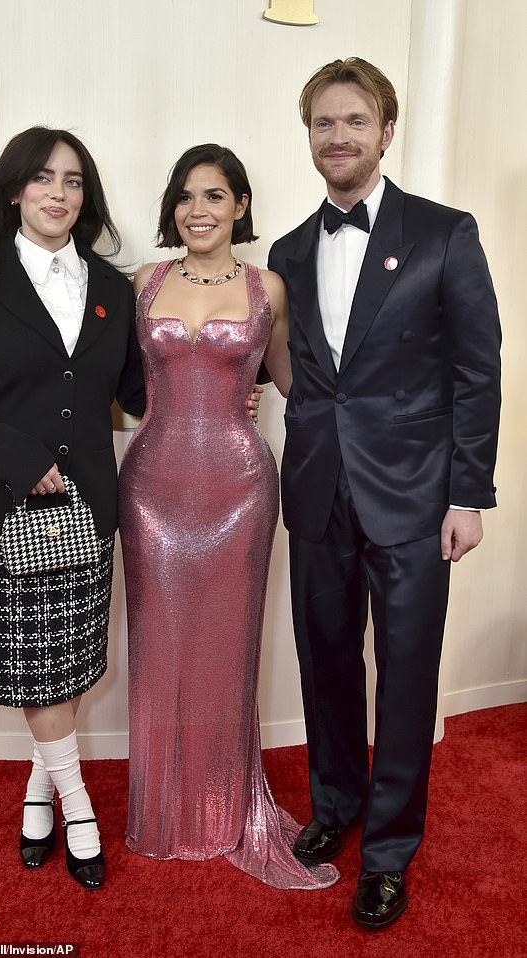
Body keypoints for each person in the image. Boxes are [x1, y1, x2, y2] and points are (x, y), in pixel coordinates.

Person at [268, 58, 501, 926]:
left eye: (354, 122)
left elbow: (479, 371)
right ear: (311, 137)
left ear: (385, 131)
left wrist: (467, 494)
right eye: (324, 124)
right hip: (317, 486)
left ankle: (392, 849)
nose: (338, 137)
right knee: (324, 661)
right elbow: (292, 372)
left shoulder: (446, 232)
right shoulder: (289, 250)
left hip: (416, 496)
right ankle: (337, 807)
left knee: (405, 676)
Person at [0, 127, 147, 890]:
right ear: (14, 189)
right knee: (35, 670)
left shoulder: (114, 290)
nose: (59, 193)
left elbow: (138, 393)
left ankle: (40, 786)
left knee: (68, 665)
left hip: (90, 509)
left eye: (74, 181)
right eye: (43, 178)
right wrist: (23, 458)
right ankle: (78, 806)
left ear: (87, 196)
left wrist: (224, 380)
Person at [117, 144, 338, 890]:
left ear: (240, 205)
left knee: (227, 647)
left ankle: (219, 811)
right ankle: (162, 812)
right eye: (185, 197)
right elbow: (117, 386)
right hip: (150, 488)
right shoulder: (147, 281)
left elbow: (293, 382)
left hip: (240, 490)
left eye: (214, 195)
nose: (198, 210)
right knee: (158, 646)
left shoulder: (265, 283)